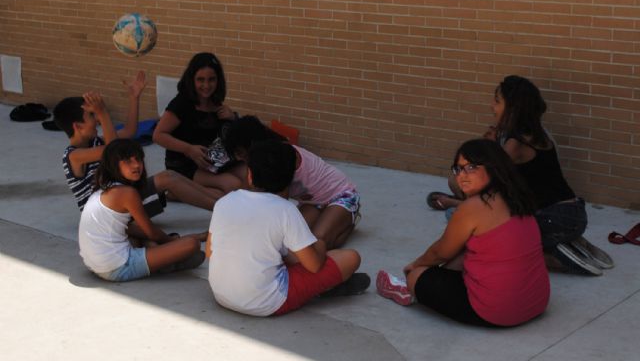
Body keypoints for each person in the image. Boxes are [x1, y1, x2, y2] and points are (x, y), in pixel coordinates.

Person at [426, 75, 613, 275]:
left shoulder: (515, 144)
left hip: (555, 217)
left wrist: (490, 147)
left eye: (497, 101)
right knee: (464, 198)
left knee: (497, 242)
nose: (492, 106)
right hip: (569, 213)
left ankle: (564, 258)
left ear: (513, 109)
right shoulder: (533, 133)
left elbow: (485, 183)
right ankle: (564, 241)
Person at [378, 139, 550, 327]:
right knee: (470, 248)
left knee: (418, 276)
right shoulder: (519, 197)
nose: (462, 176)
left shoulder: (474, 207)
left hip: (498, 312)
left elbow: (440, 252)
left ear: (493, 167)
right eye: (458, 169)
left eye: (471, 167)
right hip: (536, 303)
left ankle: (407, 288)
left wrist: (414, 266)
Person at [206, 139, 369, 317]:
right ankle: (323, 288)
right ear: (290, 179)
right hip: (267, 301)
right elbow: (314, 265)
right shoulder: (286, 210)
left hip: (221, 293)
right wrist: (320, 243)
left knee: (286, 253)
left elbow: (209, 253)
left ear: (250, 175)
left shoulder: (225, 201)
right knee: (350, 258)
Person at [53, 71, 216, 213]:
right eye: (91, 116)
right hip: (106, 214)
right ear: (77, 126)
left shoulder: (96, 142)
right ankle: (223, 211)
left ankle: (220, 206)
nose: (96, 120)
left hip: (122, 198)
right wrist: (103, 114)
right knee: (167, 179)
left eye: (95, 116)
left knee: (171, 176)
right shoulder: (73, 156)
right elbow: (113, 150)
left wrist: (134, 97)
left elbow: (130, 131)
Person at [223, 115, 361, 250]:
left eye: (240, 152)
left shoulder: (279, 158)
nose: (238, 158)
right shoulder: (261, 159)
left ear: (252, 145)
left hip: (340, 194)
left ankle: (348, 224)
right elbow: (244, 194)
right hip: (312, 202)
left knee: (317, 241)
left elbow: (278, 202)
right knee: (291, 240)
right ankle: (336, 221)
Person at [79, 139, 206, 282]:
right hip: (116, 268)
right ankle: (165, 262)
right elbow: (151, 232)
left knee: (138, 231)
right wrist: (172, 241)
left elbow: (129, 229)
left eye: (138, 159)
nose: (136, 165)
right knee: (191, 244)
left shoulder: (103, 189)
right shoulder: (127, 193)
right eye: (128, 161)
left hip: (95, 264)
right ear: (113, 165)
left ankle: (162, 259)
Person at [153, 52, 244, 200]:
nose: (206, 85)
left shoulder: (215, 102)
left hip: (210, 162)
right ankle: (179, 191)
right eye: (200, 80)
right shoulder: (182, 104)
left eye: (211, 80)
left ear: (218, 80)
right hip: (184, 163)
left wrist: (233, 118)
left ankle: (184, 192)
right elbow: (158, 135)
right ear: (191, 79)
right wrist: (188, 149)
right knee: (232, 185)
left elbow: (227, 135)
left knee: (248, 174)